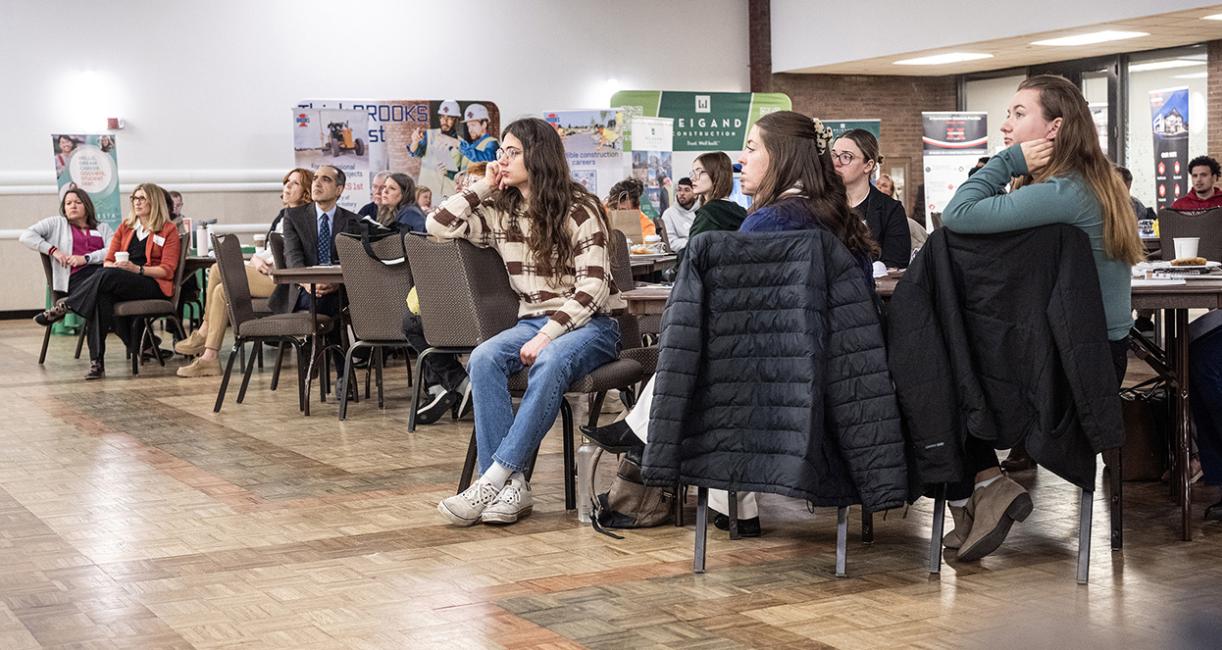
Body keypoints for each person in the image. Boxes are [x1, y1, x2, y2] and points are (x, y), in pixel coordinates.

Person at [586, 111, 880, 535]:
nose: (741, 160)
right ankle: (650, 439)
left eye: (751, 147)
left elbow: (736, 316)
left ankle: (646, 434)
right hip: (843, 378)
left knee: (700, 351)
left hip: (771, 385)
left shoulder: (768, 222)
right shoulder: (841, 218)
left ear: (780, 157)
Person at [938, 74, 1144, 562]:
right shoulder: (1096, 182)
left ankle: (983, 489)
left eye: (1017, 114)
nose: (1006, 125)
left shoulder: (1065, 193)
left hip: (1070, 377)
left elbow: (958, 213)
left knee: (939, 380)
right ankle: (978, 496)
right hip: (1090, 359)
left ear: (1055, 127)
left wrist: (1006, 163)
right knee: (948, 367)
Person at [427, 117, 624, 527]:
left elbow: (594, 287)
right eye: (500, 151)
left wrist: (550, 334)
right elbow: (437, 226)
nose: (503, 159)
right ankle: (515, 485)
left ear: (538, 156)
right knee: (483, 358)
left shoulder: (580, 208)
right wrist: (483, 183)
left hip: (591, 326)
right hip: (530, 324)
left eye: (512, 152)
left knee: (551, 362)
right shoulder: (503, 211)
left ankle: (492, 477)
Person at [175, 168, 313, 377]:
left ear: (306, 191)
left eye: (295, 183)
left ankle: (204, 331)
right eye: (287, 181)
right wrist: (255, 258)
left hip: (283, 280)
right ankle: (209, 358)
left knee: (217, 268)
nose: (287, 186)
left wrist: (260, 261)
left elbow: (290, 254)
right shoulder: (284, 215)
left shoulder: (304, 217)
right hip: (268, 271)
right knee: (222, 291)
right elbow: (271, 250)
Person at [49, 184, 182, 379]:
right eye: (134, 198)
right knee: (101, 296)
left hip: (151, 283)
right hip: (122, 280)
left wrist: (137, 269)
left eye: (142, 198)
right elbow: (109, 259)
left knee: (105, 276)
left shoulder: (167, 229)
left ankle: (68, 304)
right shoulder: (126, 227)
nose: (137, 202)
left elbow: (167, 270)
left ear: (154, 201)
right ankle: (97, 363)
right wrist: (116, 267)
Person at [24, 188, 115, 319]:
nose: (73, 205)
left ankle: (67, 305)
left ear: (87, 205)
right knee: (109, 293)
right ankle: (139, 339)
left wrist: (86, 258)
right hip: (75, 279)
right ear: (64, 208)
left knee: (104, 298)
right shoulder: (56, 223)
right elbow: (26, 236)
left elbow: (111, 251)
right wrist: (53, 250)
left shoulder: (103, 228)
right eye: (68, 203)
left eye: (78, 202)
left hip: (101, 276)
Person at [832, 129, 911, 268]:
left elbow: (895, 265)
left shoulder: (891, 210)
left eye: (846, 156)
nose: (836, 163)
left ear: (868, 165)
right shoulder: (820, 204)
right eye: (833, 155)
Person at [686, 152, 748, 248]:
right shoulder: (741, 212)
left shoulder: (708, 214)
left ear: (717, 175)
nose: (693, 178)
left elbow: (691, 255)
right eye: (693, 173)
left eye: (699, 172)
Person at [409, 101, 463, 199]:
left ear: (457, 120)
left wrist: (449, 173)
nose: (444, 121)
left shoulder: (462, 144)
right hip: (427, 194)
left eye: (449, 118)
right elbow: (415, 152)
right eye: (442, 117)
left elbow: (463, 172)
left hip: (449, 195)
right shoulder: (429, 135)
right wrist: (415, 142)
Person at [659, 177, 698, 251]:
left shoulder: (702, 212)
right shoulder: (669, 214)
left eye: (686, 190)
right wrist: (695, 244)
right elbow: (670, 242)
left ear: (695, 194)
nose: (682, 193)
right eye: (679, 190)